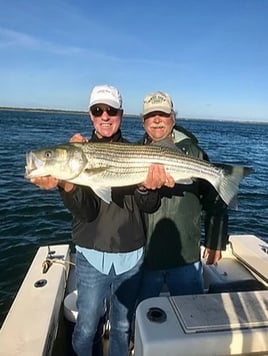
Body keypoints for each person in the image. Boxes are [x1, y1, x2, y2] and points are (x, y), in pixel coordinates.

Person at [29, 85, 171, 356]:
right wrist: (67, 186)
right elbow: (85, 213)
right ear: (90, 116)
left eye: (111, 110)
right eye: (98, 110)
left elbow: (148, 206)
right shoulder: (77, 154)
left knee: (122, 327)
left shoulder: (136, 153)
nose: (105, 116)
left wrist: (147, 188)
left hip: (131, 255)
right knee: (85, 328)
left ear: (121, 114)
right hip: (91, 256)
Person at [136, 91, 229, 301]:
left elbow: (215, 200)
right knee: (142, 316)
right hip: (146, 256)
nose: (157, 120)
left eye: (163, 114)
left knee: (191, 313)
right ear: (143, 122)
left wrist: (215, 241)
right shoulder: (132, 153)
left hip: (186, 255)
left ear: (173, 118)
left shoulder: (195, 153)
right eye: (151, 115)